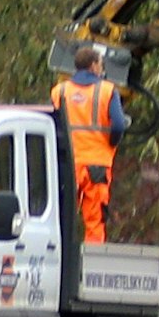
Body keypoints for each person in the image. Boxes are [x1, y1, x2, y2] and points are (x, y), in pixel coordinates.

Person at [50, 44, 128, 243]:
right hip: (97, 165)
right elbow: (119, 125)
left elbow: (52, 125)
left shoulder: (59, 91)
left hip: (67, 163)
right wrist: (112, 144)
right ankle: (93, 263)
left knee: (60, 216)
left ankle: (60, 261)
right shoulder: (108, 91)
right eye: (101, 64)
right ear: (93, 65)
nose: (102, 68)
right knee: (95, 219)